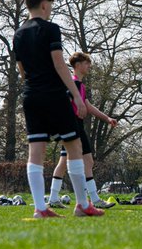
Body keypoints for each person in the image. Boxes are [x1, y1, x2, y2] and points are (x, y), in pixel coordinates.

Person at [13, 0, 103, 218]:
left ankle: (40, 208)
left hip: (31, 95)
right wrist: (76, 95)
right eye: (50, 5)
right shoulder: (51, 29)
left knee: (36, 152)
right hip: (54, 95)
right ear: (45, 4)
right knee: (74, 146)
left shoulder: (19, 33)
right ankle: (82, 205)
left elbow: (21, 70)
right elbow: (59, 63)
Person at [48, 52, 118, 209]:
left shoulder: (79, 85)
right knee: (88, 161)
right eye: (87, 63)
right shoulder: (74, 84)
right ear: (78, 65)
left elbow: (87, 105)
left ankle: (53, 198)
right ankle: (94, 199)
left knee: (64, 161)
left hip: (71, 125)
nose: (89, 66)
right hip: (74, 126)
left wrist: (107, 118)